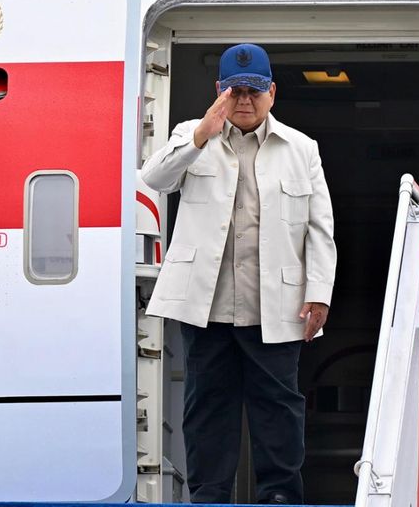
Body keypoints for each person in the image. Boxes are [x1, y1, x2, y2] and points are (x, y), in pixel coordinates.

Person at [142, 43, 336, 504]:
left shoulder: (301, 148)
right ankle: (209, 498)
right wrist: (201, 134)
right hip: (206, 305)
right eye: (234, 91)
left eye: (254, 91)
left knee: (279, 408)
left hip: (276, 305)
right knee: (208, 407)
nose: (244, 100)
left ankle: (280, 497)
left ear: (272, 92)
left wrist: (320, 293)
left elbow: (319, 228)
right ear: (219, 92)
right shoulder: (192, 135)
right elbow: (154, 179)